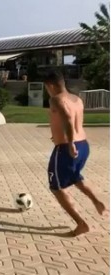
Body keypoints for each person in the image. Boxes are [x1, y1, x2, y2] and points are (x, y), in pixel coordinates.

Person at [44, 70, 107, 236]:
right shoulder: (76, 99)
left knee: (56, 187)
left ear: (50, 85)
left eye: (46, 88)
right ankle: (96, 201)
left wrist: (69, 143)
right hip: (83, 145)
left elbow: (67, 118)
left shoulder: (56, 99)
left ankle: (81, 224)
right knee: (75, 177)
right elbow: (73, 120)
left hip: (67, 148)